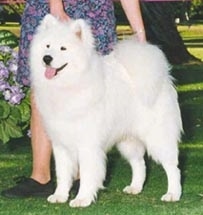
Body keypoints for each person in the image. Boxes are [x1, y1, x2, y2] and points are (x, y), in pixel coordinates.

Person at [1, 0, 146, 198]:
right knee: (43, 89)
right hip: (50, 12)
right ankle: (40, 176)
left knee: (93, 93)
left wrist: (139, 33)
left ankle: (83, 177)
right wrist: (56, 6)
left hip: (94, 12)